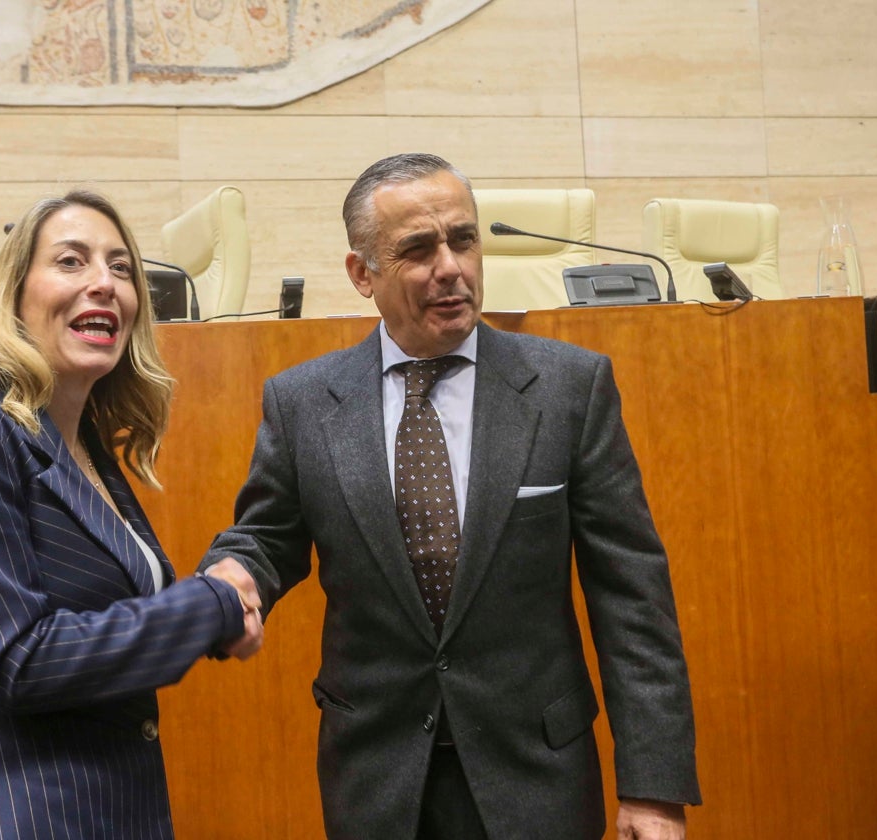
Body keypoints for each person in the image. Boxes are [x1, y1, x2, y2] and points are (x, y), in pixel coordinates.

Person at [200, 153, 700, 839]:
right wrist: (233, 574)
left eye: (463, 239)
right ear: (361, 274)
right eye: (417, 249)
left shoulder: (567, 389)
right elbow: (268, 537)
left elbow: (632, 597)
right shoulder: (304, 402)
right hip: (378, 776)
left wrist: (653, 787)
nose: (451, 267)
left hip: (538, 773)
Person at [0, 189, 263, 839]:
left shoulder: (85, 445)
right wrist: (209, 607)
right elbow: (20, 661)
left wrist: (213, 612)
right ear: (17, 294)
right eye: (71, 261)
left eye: (122, 268)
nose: (104, 283)